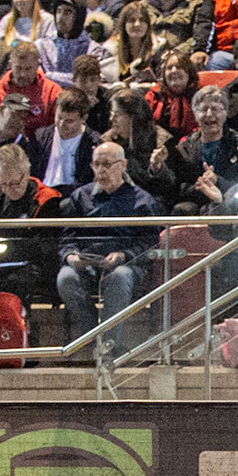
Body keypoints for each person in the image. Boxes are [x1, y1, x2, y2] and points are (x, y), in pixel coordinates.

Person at [54, 140, 162, 350]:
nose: (101, 171)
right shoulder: (80, 197)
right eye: (96, 165)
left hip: (126, 264)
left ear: (123, 165)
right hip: (87, 263)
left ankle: (111, 344)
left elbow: (150, 241)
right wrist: (71, 256)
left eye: (107, 165)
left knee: (119, 277)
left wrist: (123, 255)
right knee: (65, 278)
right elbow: (67, 238)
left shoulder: (142, 200)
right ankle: (91, 336)